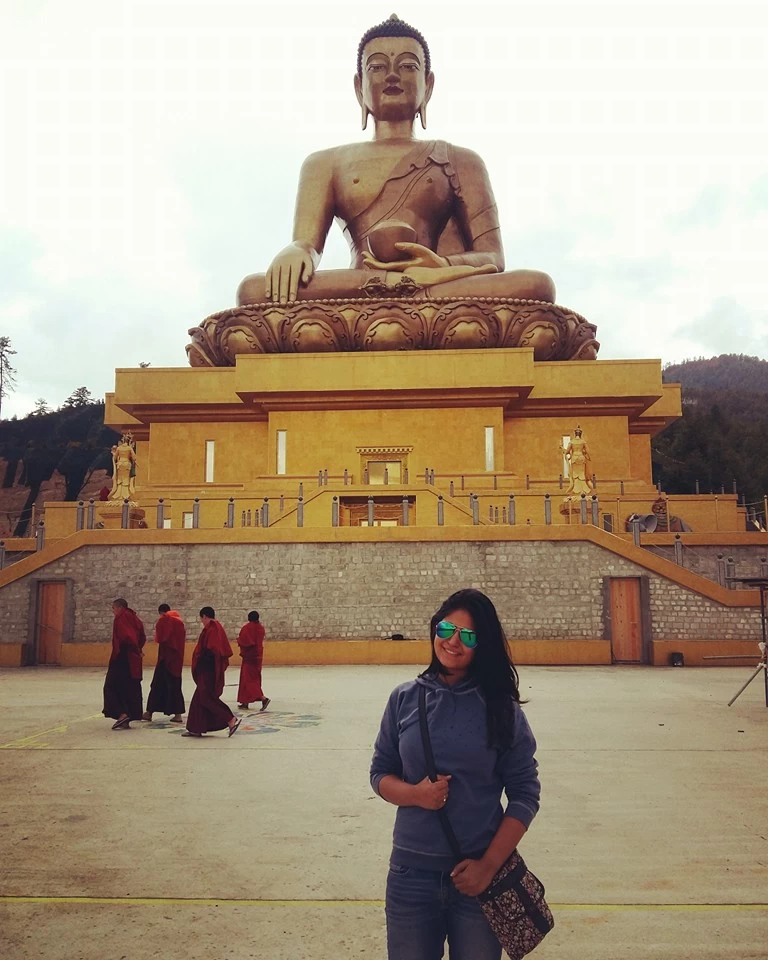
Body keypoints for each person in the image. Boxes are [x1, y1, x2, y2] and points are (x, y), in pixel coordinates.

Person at [236, 15, 554, 307]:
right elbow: (308, 245)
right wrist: (297, 251)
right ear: (359, 87)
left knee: (536, 286)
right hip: (362, 283)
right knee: (253, 292)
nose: (391, 76)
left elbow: (492, 257)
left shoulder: (461, 160)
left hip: (434, 282)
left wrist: (440, 267)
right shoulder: (324, 163)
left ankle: (406, 297)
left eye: (407, 66)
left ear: (427, 86)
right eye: (376, 67)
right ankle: (402, 297)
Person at [370, 588, 541, 960]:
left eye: (468, 635)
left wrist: (488, 866)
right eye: (447, 628)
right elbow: (380, 773)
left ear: (484, 645)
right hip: (410, 876)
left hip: (477, 880)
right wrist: (415, 795)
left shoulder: (502, 709)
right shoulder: (404, 698)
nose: (453, 641)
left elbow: (525, 793)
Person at [184, 607, 241, 738]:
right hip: (207, 669)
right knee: (199, 699)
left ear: (204, 616)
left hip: (208, 670)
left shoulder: (213, 628)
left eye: (201, 619)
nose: (202, 622)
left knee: (206, 698)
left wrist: (201, 664)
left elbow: (212, 651)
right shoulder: (214, 628)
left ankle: (230, 719)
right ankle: (196, 728)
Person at [103, 599, 146, 730]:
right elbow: (142, 637)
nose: (113, 611)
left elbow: (128, 637)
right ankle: (126, 717)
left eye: (113, 608)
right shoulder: (135, 618)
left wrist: (134, 649)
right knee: (128, 688)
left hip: (123, 656)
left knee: (110, 686)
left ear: (119, 607)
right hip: (133, 658)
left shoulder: (122, 617)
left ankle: (121, 714)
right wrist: (138, 649)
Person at [143, 604, 186, 723]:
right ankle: (177, 715)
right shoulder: (180, 622)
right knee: (175, 686)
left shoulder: (166, 620)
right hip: (176, 660)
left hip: (165, 659)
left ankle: (149, 712)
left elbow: (162, 638)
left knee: (157, 685)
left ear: (161, 612)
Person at [236, 611, 270, 712]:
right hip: (258, 656)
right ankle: (245, 702)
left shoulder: (247, 628)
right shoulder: (261, 628)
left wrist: (239, 640)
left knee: (248, 680)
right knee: (251, 678)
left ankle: (264, 699)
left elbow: (246, 641)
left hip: (249, 657)